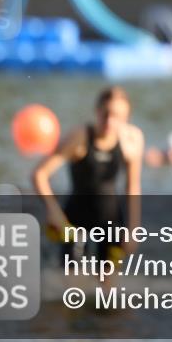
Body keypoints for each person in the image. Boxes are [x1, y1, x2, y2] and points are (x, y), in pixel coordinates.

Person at [32, 86, 144, 264]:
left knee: (108, 289)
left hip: (111, 221)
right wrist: (53, 211)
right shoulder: (80, 137)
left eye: (117, 117)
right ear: (97, 110)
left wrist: (133, 229)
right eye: (106, 114)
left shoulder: (133, 140)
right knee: (72, 287)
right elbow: (40, 174)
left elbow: (133, 186)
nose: (110, 121)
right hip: (76, 221)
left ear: (127, 118)